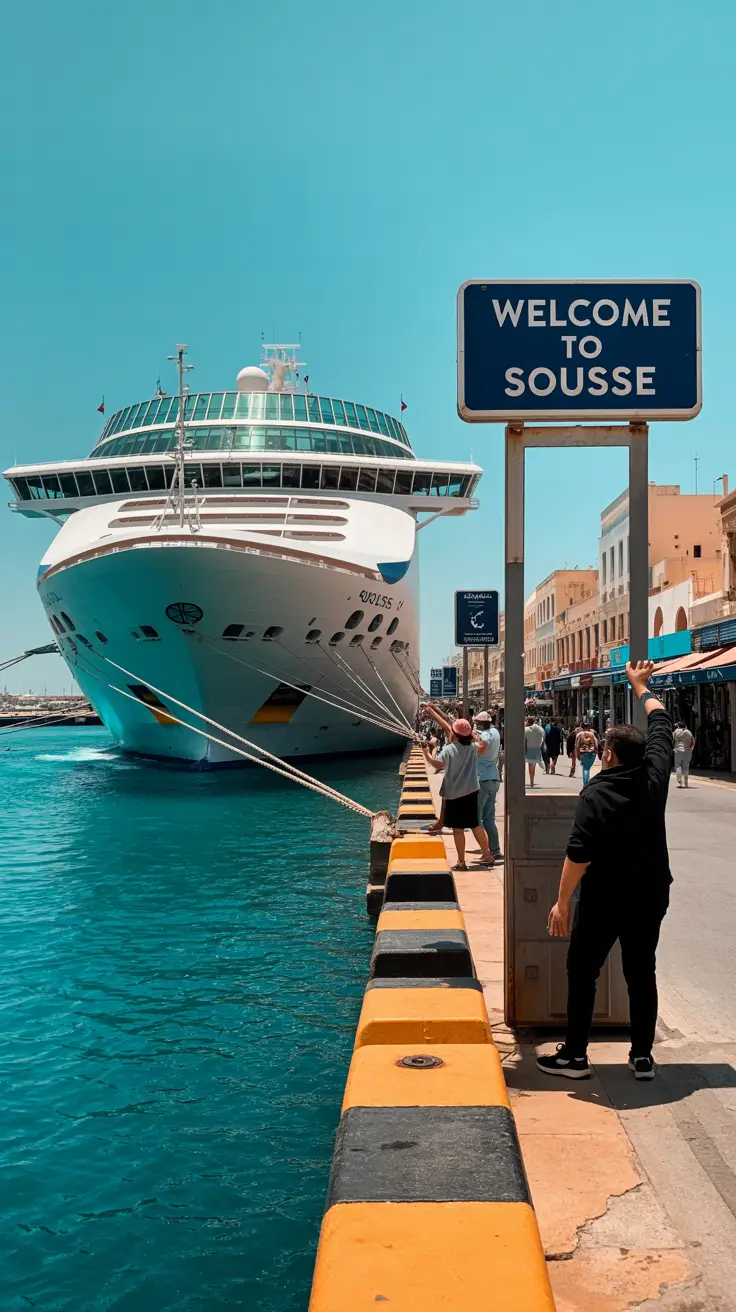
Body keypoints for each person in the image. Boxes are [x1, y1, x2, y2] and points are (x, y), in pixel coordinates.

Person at [537, 660, 673, 1082]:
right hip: (650, 894)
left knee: (583, 971)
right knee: (641, 970)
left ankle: (576, 1056)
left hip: (605, 899)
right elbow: (661, 722)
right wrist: (640, 686)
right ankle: (643, 1056)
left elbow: (579, 856)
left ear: (608, 754)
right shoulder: (655, 776)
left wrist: (561, 904)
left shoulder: (595, 793)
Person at [423, 718, 494, 871]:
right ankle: (488, 855)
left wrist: (428, 752)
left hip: (454, 794)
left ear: (454, 734)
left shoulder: (449, 749)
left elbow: (437, 764)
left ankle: (461, 861)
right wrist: (475, 736)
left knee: (458, 829)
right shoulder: (473, 748)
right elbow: (483, 746)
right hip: (471, 792)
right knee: (475, 825)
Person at [474, 709, 502, 861]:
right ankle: (495, 848)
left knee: (477, 818)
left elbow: (481, 749)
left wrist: (474, 742)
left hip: (482, 779)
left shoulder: (483, 735)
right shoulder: (496, 732)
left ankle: (486, 852)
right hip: (494, 778)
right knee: (489, 817)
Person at [524, 716, 546, 788]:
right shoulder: (540, 729)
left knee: (530, 766)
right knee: (533, 766)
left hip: (529, 749)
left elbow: (523, 740)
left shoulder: (526, 729)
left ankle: (531, 781)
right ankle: (532, 781)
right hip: (537, 749)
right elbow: (543, 738)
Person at [673, 720, 695, 788]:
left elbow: (672, 740)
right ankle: (686, 782)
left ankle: (679, 780)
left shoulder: (675, 732)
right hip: (687, 751)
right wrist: (691, 749)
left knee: (678, 765)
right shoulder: (689, 732)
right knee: (686, 766)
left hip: (678, 750)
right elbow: (693, 740)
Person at [576, 723, 598, 787]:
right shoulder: (592, 734)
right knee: (587, 768)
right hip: (591, 753)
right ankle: (586, 782)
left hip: (583, 753)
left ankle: (585, 784)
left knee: (585, 768)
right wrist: (596, 752)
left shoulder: (579, 735)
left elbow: (577, 746)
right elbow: (596, 744)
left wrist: (577, 754)